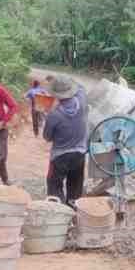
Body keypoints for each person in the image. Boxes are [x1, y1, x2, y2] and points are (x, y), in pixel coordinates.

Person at [43, 75, 88, 205]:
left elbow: (47, 137)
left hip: (60, 157)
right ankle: (73, 211)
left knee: (54, 185)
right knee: (75, 186)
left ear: (56, 95)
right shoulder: (82, 101)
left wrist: (48, 114)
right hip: (80, 154)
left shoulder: (54, 115)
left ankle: (58, 214)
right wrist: (62, 81)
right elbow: (80, 87)